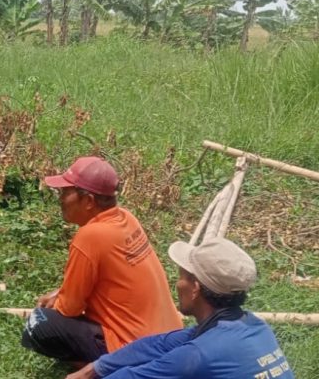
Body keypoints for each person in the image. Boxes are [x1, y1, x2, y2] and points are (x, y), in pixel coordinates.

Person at [23, 157, 182, 366]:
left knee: (38, 324)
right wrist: (60, 294)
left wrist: (58, 301)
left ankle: (109, 369)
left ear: (88, 201)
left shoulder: (90, 237)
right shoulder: (126, 218)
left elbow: (69, 309)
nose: (60, 198)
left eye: (65, 192)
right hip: (170, 339)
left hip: (135, 348)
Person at [67, 239, 294, 379]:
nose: (178, 284)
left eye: (182, 277)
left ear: (195, 288)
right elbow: (156, 345)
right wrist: (94, 368)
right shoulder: (253, 325)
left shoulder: (198, 355)